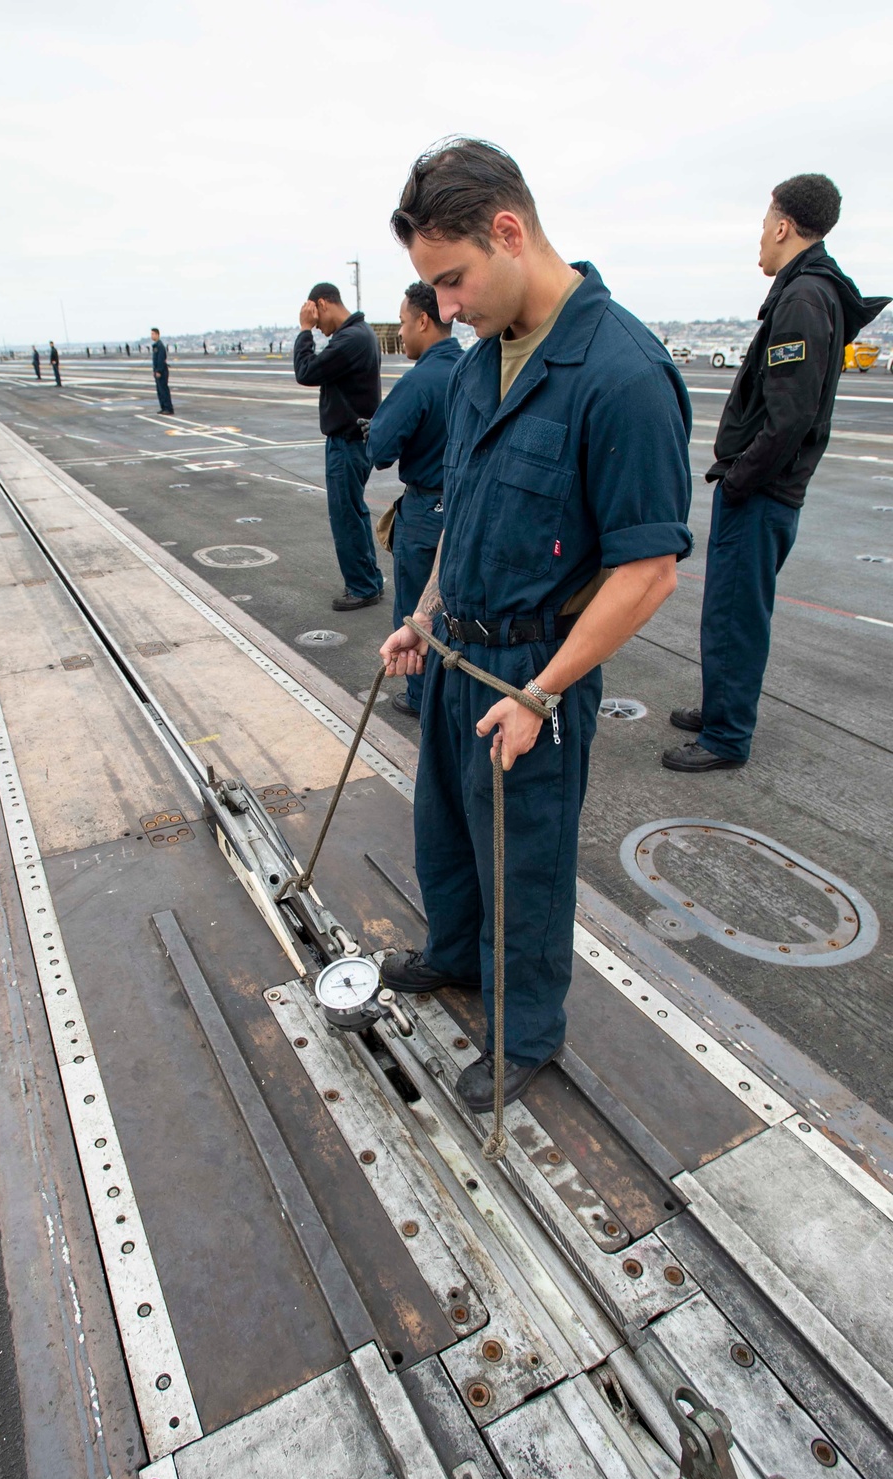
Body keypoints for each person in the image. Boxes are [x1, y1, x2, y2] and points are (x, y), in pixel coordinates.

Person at [377, 138, 691, 1110]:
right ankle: (455, 955)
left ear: (508, 231)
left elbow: (645, 573)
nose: (448, 308)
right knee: (446, 835)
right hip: (454, 655)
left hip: (529, 674)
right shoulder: (480, 365)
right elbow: (463, 511)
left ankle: (526, 1034)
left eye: (454, 280)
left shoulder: (621, 372)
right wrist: (423, 617)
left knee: (525, 864)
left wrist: (540, 691)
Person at [664, 175, 890, 772]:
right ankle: (721, 711)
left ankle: (726, 738)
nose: (760, 237)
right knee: (729, 610)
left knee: (736, 615)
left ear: (785, 226)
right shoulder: (813, 294)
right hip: (767, 491)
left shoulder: (802, 300)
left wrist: (740, 479)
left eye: (765, 224)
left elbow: (789, 418)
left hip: (762, 493)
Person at [368, 282, 462, 715]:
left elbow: (380, 451)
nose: (402, 333)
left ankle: (422, 700)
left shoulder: (418, 381)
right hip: (469, 506)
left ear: (424, 320)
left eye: (405, 323)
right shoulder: (476, 367)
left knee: (417, 613)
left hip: (427, 512)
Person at [294, 282, 384, 609]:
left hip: (347, 442)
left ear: (323, 304)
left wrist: (304, 331)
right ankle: (369, 579)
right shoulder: (360, 335)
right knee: (355, 512)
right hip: (355, 441)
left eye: (318, 321)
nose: (318, 328)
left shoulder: (350, 339)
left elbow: (306, 371)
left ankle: (362, 586)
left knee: (346, 516)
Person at [151, 327, 174, 414]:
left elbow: (160, 359)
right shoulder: (156, 345)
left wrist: (159, 371)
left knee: (163, 390)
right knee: (160, 391)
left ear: (157, 334)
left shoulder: (160, 346)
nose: (151, 335)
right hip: (157, 371)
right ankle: (164, 407)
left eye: (153, 334)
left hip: (162, 371)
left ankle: (168, 408)